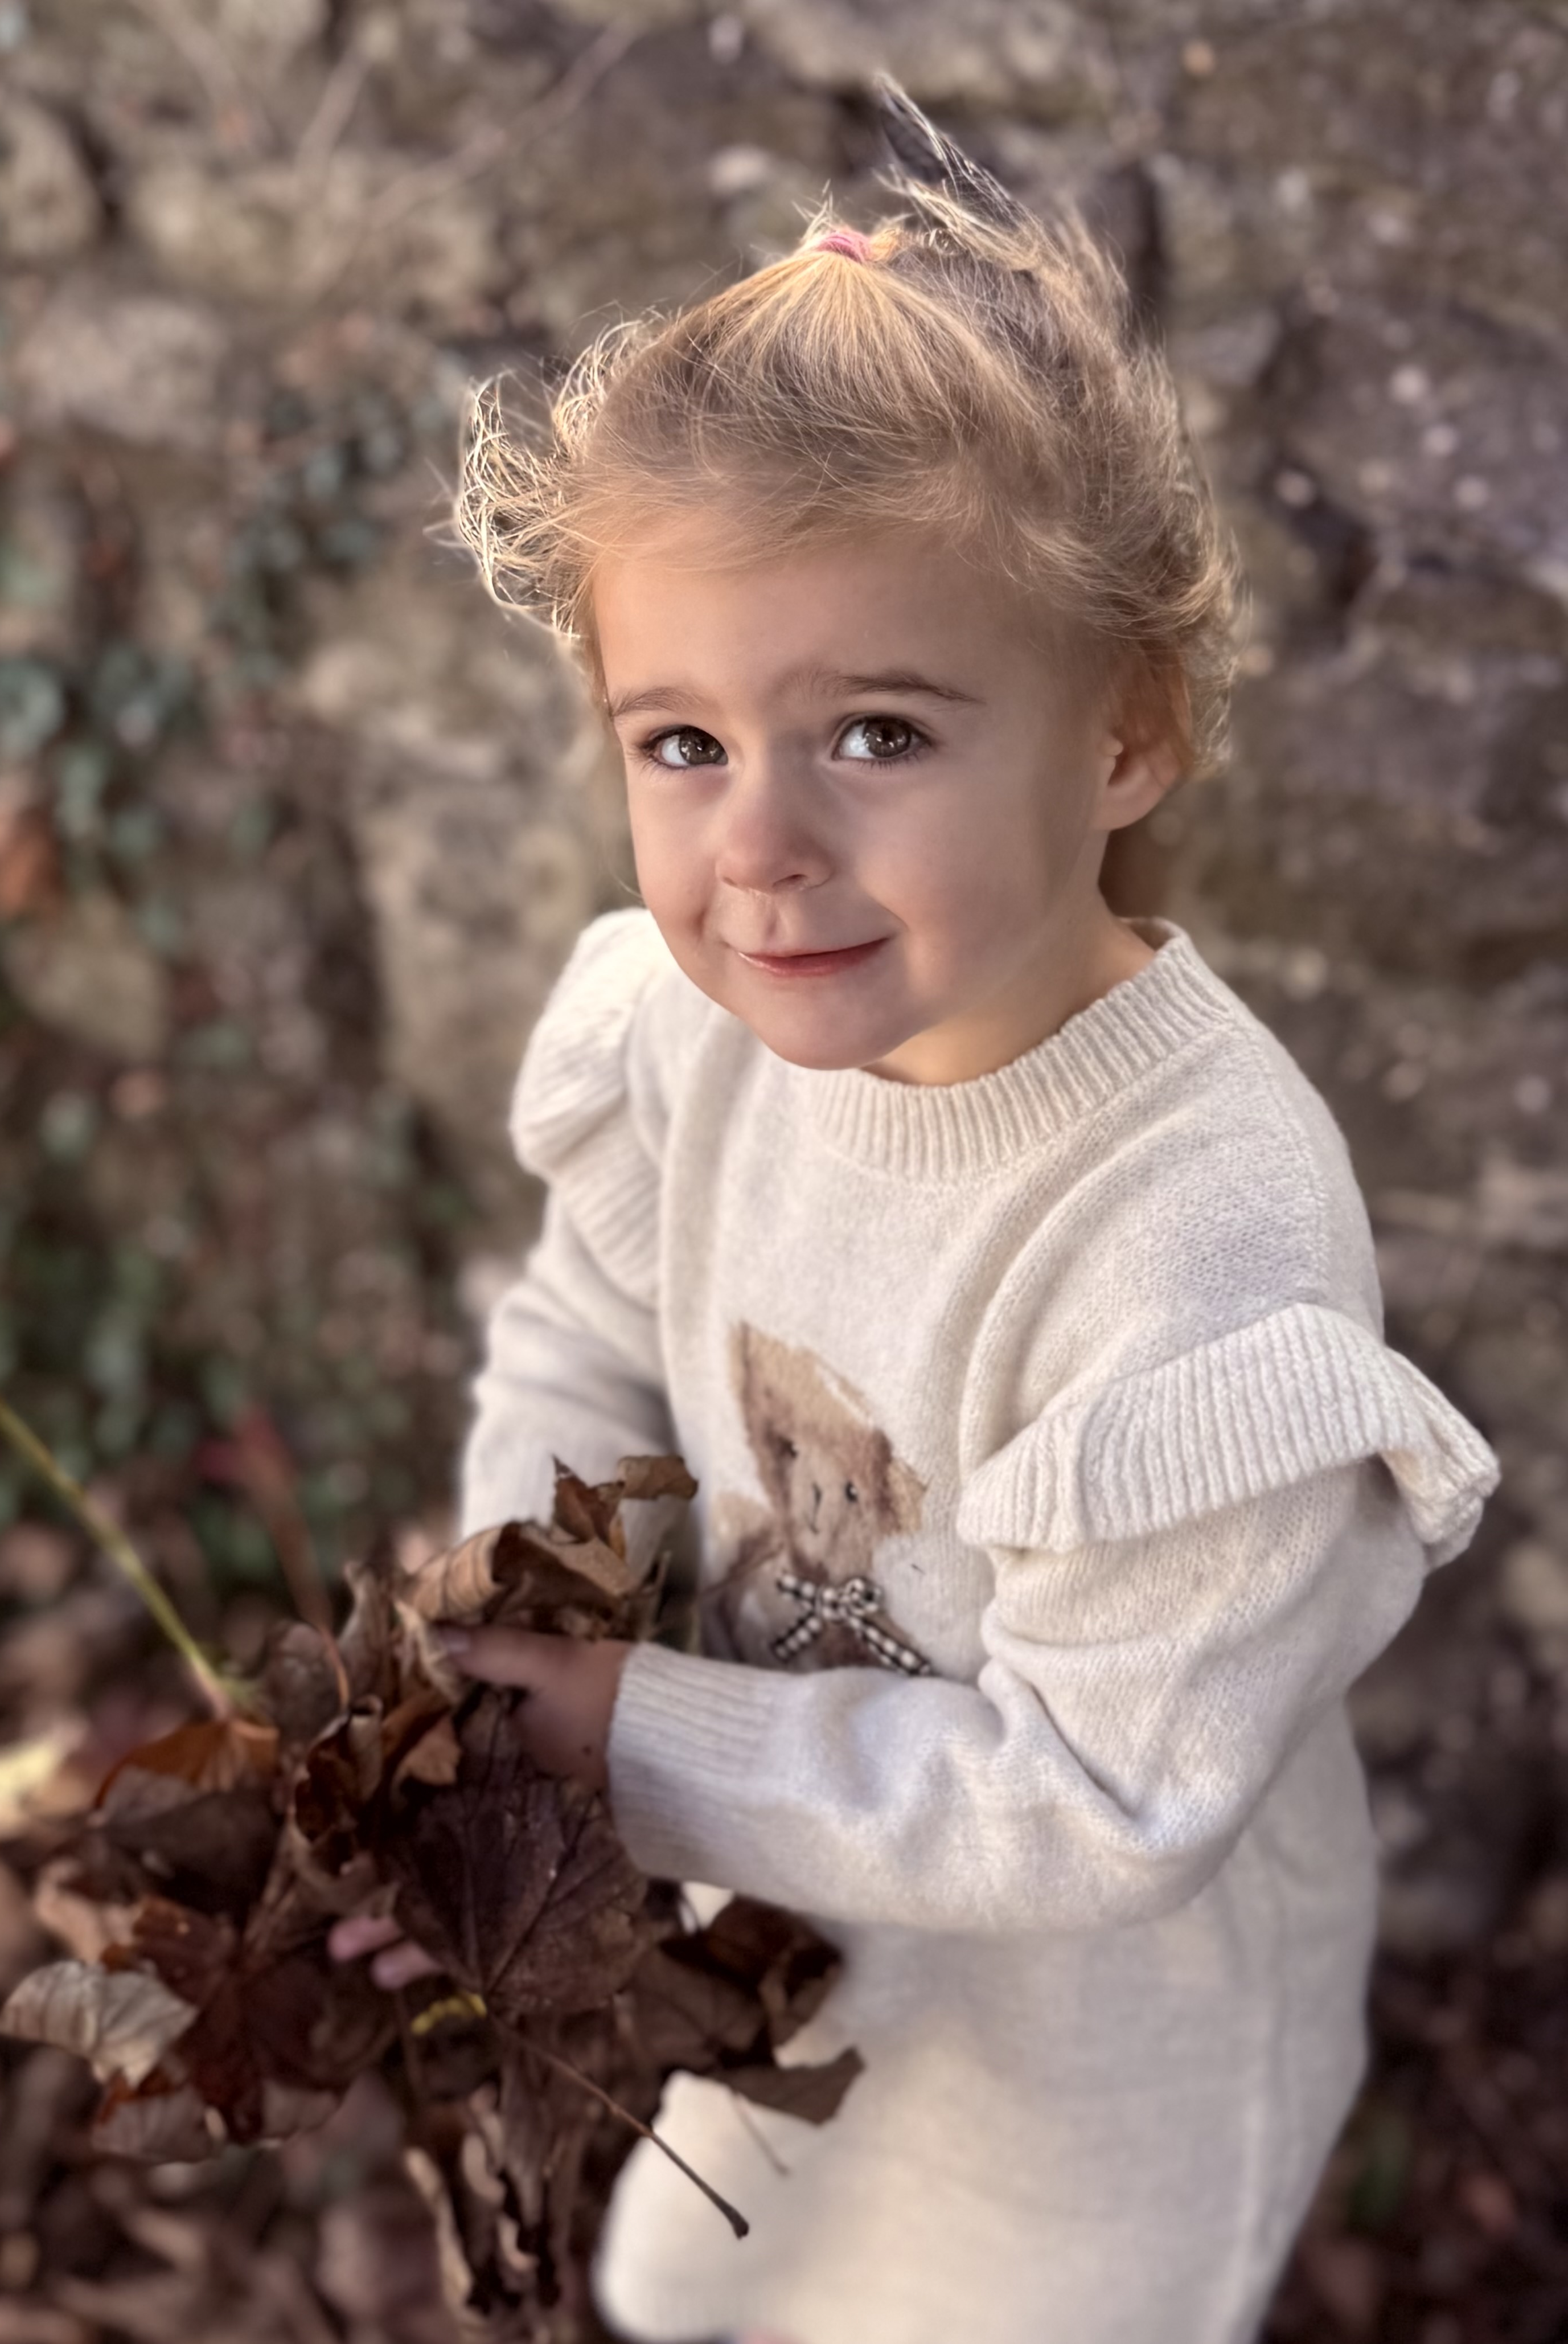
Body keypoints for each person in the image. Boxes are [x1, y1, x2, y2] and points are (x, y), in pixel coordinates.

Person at [372, 84, 1501, 2344]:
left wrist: (626, 1736)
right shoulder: (692, 1037)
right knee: (715, 2283)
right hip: (779, 1947)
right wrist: (501, 1632)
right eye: (678, 745)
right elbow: (582, 1332)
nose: (757, 846)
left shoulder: (1187, 1237)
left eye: (873, 734)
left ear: (1124, 734)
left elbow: (1090, 1801)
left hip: (1095, 2060)